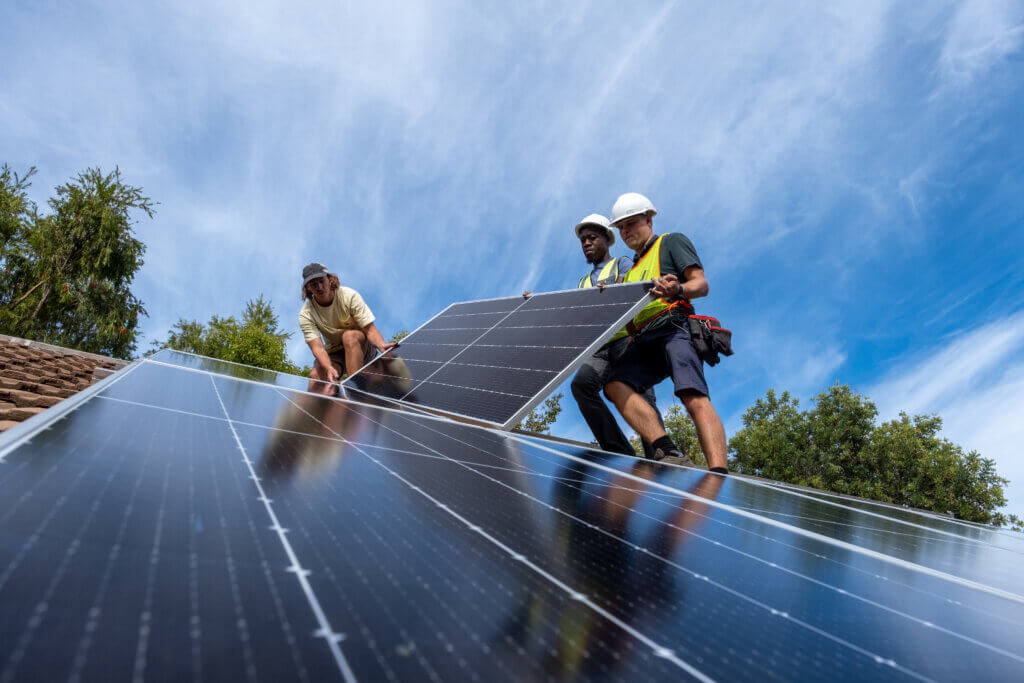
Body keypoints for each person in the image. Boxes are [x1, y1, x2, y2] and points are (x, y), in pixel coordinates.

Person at [602, 193, 729, 472]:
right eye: (621, 228)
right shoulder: (630, 271)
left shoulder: (670, 242)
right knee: (614, 384)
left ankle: (719, 473)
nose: (625, 232)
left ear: (648, 219)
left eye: (631, 224)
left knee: (692, 396)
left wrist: (678, 289)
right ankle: (666, 448)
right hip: (644, 339)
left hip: (674, 328)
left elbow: (701, 284)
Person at [566, 214, 664, 459]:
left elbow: (633, 287)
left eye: (592, 238)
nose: (586, 243)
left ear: (606, 240)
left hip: (626, 340)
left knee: (639, 393)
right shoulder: (583, 282)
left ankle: (661, 456)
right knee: (581, 385)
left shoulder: (622, 263)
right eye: (583, 240)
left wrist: (613, 290)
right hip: (600, 347)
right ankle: (619, 453)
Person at [298, 262, 397, 395]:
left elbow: (370, 329)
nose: (320, 287)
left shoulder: (349, 296)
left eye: (322, 281)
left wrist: (381, 345)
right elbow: (317, 348)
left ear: (329, 279)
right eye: (314, 284)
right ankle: (320, 411)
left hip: (361, 346)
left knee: (349, 337)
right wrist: (328, 368)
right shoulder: (306, 314)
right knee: (316, 376)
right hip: (335, 352)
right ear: (308, 287)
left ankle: (356, 391)